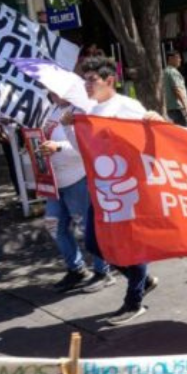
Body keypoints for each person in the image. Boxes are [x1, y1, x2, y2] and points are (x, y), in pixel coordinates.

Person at [64, 56, 163, 325]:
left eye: (92, 79)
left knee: (131, 244)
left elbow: (154, 132)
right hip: (102, 189)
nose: (87, 84)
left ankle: (134, 301)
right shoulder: (91, 112)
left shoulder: (126, 105)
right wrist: (69, 128)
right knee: (96, 243)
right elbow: (84, 150)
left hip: (126, 187)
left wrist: (155, 119)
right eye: (85, 79)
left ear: (110, 81)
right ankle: (140, 279)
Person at [38, 94, 115, 292]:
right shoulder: (50, 110)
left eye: (54, 88)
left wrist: (58, 147)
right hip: (55, 179)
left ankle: (103, 271)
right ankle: (77, 269)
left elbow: (86, 144)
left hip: (78, 178)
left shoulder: (82, 110)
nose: (51, 92)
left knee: (87, 227)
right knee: (54, 225)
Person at [163, 51, 187, 127]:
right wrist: (185, 107)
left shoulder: (165, 71)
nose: (180, 60)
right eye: (178, 57)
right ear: (170, 59)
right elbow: (177, 90)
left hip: (171, 109)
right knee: (186, 131)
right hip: (178, 108)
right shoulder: (172, 72)